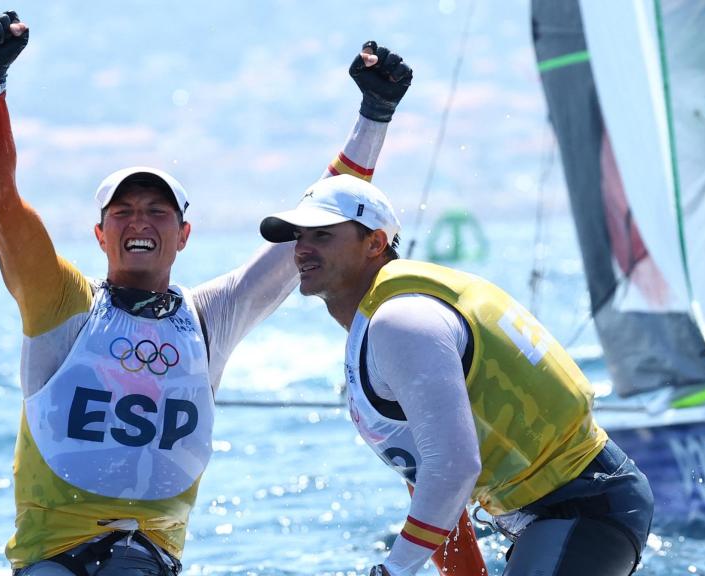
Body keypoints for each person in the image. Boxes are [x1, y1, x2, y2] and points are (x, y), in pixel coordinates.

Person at [0, 11, 415, 575]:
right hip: (54, 558)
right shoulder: (61, 301)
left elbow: (319, 217)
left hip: (151, 562)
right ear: (99, 234)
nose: (140, 223)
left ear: (183, 235)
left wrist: (374, 115)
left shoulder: (210, 319)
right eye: (123, 212)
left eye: (158, 212)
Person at [258, 179, 655, 575]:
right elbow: (431, 480)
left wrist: (395, 569)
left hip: (587, 504)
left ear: (376, 243)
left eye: (322, 236)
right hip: (552, 515)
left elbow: (455, 467)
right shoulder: (379, 326)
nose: (302, 250)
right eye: (298, 237)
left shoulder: (402, 321)